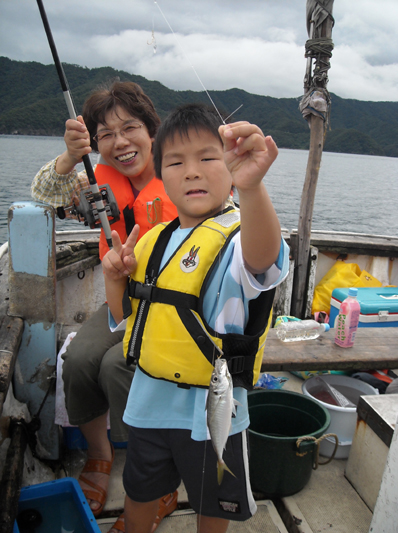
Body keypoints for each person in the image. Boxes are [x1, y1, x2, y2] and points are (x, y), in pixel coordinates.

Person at [102, 103, 290, 533]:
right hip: (148, 403)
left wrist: (253, 188)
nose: (192, 172)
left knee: (214, 505)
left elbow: (263, 259)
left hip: (214, 409)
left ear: (229, 164)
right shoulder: (151, 240)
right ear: (160, 174)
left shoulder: (242, 236)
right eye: (175, 162)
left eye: (208, 157)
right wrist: (114, 279)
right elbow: (126, 321)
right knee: (139, 491)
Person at [31, 81, 179, 533]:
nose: (120, 142)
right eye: (105, 134)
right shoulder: (93, 182)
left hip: (177, 308)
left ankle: (159, 478)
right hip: (124, 300)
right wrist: (70, 157)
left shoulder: (181, 168)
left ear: (151, 130)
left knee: (119, 365)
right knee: (76, 360)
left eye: (130, 128)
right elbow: (43, 193)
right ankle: (100, 455)